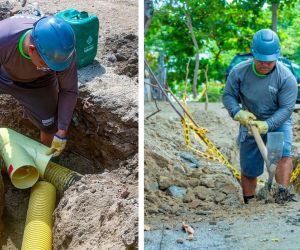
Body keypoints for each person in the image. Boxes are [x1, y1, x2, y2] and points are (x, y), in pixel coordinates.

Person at [222, 29, 298, 204]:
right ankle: (250, 202)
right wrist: (237, 112)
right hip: (250, 121)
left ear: (277, 56)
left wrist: (269, 124)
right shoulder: (239, 72)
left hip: (278, 119)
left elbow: (287, 108)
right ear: (253, 54)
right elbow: (228, 95)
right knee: (249, 166)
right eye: (261, 60)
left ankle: (281, 196)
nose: (265, 64)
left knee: (283, 156)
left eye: (270, 61)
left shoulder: (286, 77)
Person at [0, 14, 78, 157]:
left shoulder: (62, 53)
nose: (52, 68)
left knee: (49, 124)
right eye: (45, 64)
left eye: (54, 66)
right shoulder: (3, 40)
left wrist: (62, 129)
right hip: (3, 74)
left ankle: (43, 160)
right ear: (31, 49)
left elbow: (68, 89)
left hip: (39, 83)